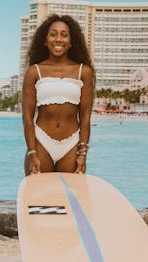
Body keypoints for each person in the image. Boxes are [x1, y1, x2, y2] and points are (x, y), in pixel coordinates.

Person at [22, 14, 95, 175]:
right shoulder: (34, 71)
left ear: (71, 41)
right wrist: (32, 152)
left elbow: (85, 116)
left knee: (70, 198)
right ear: (45, 40)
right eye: (53, 34)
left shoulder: (84, 72)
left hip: (71, 146)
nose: (58, 39)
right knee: (38, 198)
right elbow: (27, 116)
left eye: (64, 35)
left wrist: (83, 153)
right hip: (41, 143)